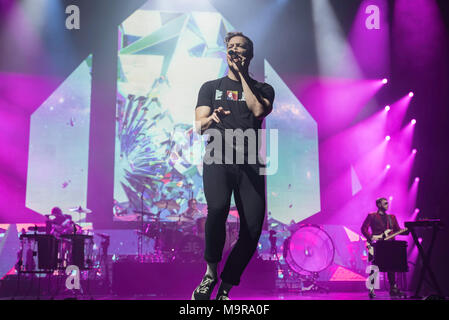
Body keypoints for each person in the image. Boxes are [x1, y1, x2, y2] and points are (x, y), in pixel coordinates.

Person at [192, 31, 275, 300]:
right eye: (231, 46)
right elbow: (198, 125)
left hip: (250, 164)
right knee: (216, 209)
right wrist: (212, 118)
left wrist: (242, 77)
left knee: (252, 231)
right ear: (225, 52)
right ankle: (210, 274)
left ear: (249, 55)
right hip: (217, 157)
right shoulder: (209, 87)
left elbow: (258, 111)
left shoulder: (263, 89)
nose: (236, 50)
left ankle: (226, 287)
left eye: (241, 47)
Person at [361, 197, 405, 298]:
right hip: (377, 244)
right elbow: (363, 228)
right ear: (379, 205)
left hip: (390, 244)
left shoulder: (392, 217)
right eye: (385, 203)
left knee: (392, 266)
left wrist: (407, 230)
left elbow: (397, 229)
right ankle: (371, 289)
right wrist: (371, 237)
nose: (387, 205)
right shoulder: (372, 216)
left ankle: (393, 288)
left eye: (387, 203)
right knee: (374, 266)